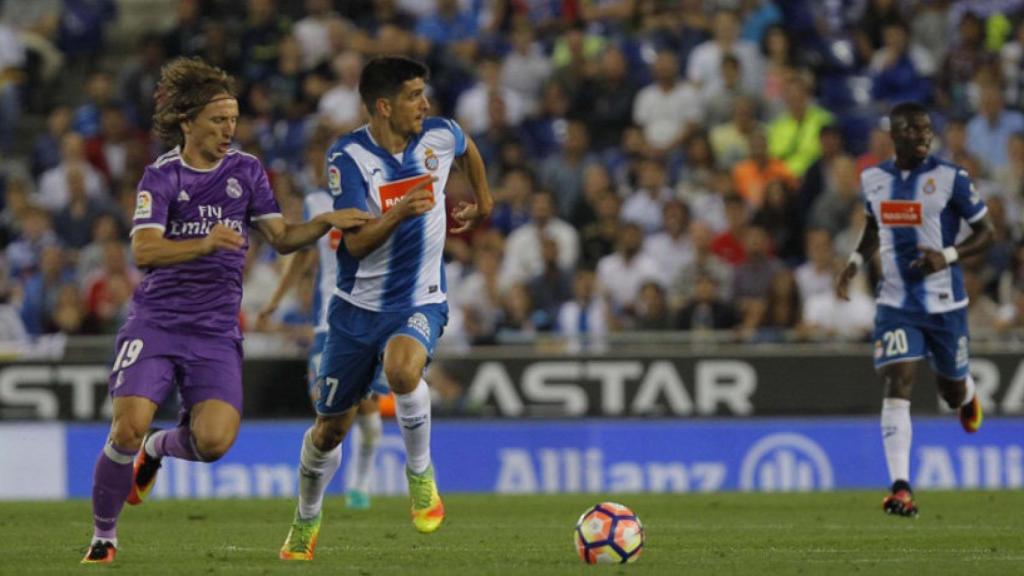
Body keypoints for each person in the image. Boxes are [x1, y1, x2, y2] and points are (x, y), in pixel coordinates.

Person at [81, 57, 371, 565]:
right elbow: (145, 252)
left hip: (215, 331)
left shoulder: (247, 170)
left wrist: (325, 221)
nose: (228, 130)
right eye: (218, 120)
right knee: (126, 426)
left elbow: (280, 239)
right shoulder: (161, 176)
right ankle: (104, 537)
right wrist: (203, 244)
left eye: (233, 120)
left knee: (213, 443)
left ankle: (156, 450)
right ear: (186, 121)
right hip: (158, 323)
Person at [278, 56, 492, 561]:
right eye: (414, 95)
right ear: (383, 105)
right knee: (329, 431)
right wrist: (399, 211)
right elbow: (352, 247)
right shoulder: (347, 157)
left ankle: (420, 473)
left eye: (424, 93)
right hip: (354, 309)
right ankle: (305, 521)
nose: (425, 104)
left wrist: (483, 202)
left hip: (420, 298)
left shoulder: (440, 135)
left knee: (402, 370)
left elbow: (468, 149)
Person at [835, 101, 994, 518]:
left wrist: (948, 255)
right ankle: (901, 488)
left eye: (927, 129)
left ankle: (968, 392)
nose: (923, 136)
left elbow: (988, 233)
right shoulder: (873, 178)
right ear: (895, 134)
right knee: (899, 380)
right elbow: (874, 227)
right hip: (896, 303)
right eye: (913, 130)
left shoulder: (951, 177)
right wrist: (853, 265)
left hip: (945, 304)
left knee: (950, 391)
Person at [257, 136, 383, 511]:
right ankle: (317, 494)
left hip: (364, 317)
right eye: (318, 160)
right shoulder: (316, 202)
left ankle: (360, 485)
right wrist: (276, 301)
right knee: (325, 409)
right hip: (327, 324)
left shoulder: (371, 199)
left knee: (369, 412)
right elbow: (301, 255)